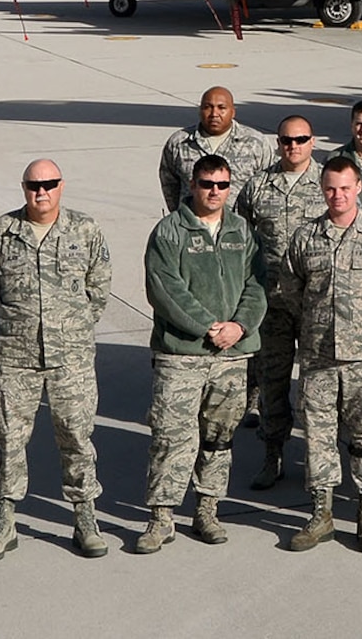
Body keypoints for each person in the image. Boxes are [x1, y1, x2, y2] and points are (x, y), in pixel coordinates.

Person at [0, 158, 112, 561]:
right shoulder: (1, 233)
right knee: (9, 439)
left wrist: (73, 327)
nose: (42, 192)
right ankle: (3, 519)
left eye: (49, 184)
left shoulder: (84, 231)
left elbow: (98, 288)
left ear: (62, 186)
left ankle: (85, 516)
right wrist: (16, 327)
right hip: (15, 357)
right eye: (34, 185)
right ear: (23, 188)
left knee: (76, 435)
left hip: (71, 357)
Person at [131, 155, 267, 555]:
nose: (214, 192)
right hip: (183, 355)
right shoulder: (170, 231)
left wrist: (240, 327)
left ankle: (207, 510)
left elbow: (257, 285)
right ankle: (161, 518)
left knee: (219, 438)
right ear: (193, 184)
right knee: (171, 437)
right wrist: (209, 326)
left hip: (232, 355)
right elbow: (164, 289)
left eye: (222, 185)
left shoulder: (242, 232)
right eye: (207, 183)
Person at [279, 158, 362, 553]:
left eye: (345, 188)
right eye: (331, 189)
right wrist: (318, 324)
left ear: (359, 189)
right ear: (322, 190)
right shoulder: (305, 238)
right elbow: (291, 290)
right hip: (318, 358)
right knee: (318, 439)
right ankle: (322, 515)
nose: (338, 196)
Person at [234, 116, 326, 491]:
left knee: (316, 387)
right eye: (287, 140)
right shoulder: (258, 186)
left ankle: (319, 464)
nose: (293, 146)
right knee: (272, 383)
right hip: (270, 305)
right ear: (278, 143)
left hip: (313, 304)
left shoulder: (328, 184)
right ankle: (272, 455)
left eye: (301, 139)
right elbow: (239, 238)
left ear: (313, 141)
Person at [158, 86, 273, 213]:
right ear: (200, 110)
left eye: (221, 108)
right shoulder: (179, 143)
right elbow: (170, 186)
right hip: (192, 227)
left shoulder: (256, 143)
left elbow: (267, 186)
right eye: (208, 107)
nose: (214, 114)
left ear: (233, 112)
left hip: (239, 228)